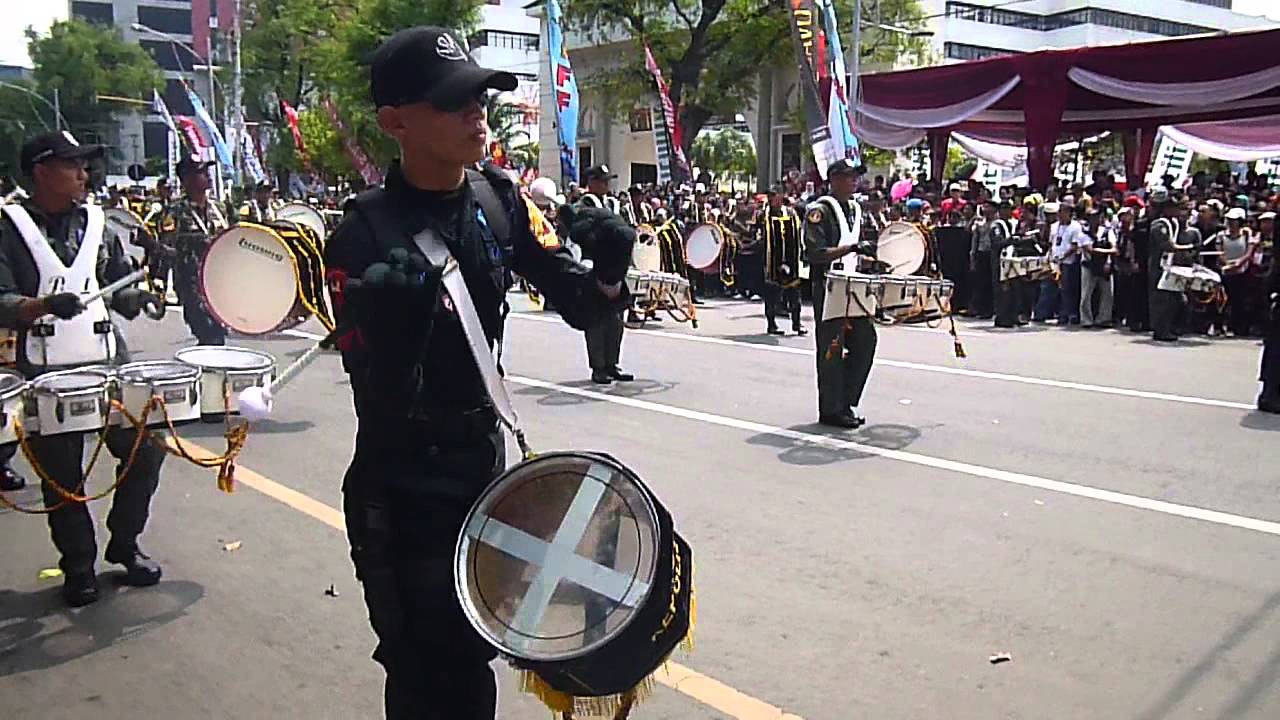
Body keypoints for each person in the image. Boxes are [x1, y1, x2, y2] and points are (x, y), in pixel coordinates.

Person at [322, 27, 630, 719]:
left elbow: (581, 304)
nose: (476, 111)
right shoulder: (361, 235)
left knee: (477, 656)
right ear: (395, 122)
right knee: (428, 675)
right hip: (403, 490)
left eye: (480, 95)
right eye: (453, 100)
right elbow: (378, 394)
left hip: (486, 472)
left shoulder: (498, 199)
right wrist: (396, 338)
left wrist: (609, 273)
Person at [0, 131, 166, 607]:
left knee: (146, 450)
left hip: (108, 363)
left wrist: (136, 298)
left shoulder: (96, 221)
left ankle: (125, 544)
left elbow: (115, 282)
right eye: (72, 166)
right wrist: (39, 305)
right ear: (41, 172)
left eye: (84, 165)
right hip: (44, 370)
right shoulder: (8, 226)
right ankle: (78, 566)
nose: (83, 174)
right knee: (63, 476)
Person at [804, 159, 876, 429]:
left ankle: (846, 399)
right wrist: (852, 249)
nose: (853, 181)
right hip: (829, 287)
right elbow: (814, 254)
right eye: (847, 177)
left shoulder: (856, 210)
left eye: (855, 177)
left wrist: (868, 258)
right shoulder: (818, 211)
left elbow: (856, 250)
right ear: (833, 180)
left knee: (866, 341)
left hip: (854, 284)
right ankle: (832, 410)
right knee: (832, 348)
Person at [163, 156, 228, 346]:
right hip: (191, 284)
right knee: (210, 335)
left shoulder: (220, 208)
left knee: (218, 336)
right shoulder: (174, 211)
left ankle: (210, 372)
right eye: (201, 172)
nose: (208, 175)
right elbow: (167, 247)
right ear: (187, 179)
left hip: (218, 281)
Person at [572, 191, 633, 384]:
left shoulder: (611, 204)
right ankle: (598, 367)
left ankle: (611, 364)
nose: (605, 185)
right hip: (596, 270)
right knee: (597, 322)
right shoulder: (586, 206)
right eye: (602, 181)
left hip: (616, 270)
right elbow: (578, 235)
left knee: (616, 323)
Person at [1148, 188, 1195, 342]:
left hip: (1171, 266)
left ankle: (1170, 327)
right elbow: (1167, 245)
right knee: (1161, 300)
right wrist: (1187, 248)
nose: (1177, 211)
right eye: (1173, 208)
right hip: (1159, 267)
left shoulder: (1174, 224)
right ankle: (1160, 330)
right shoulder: (1158, 225)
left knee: (1174, 299)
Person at [760, 184, 805, 336]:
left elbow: (799, 234)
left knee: (794, 293)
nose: (771, 199)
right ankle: (771, 324)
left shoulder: (791, 213)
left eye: (774, 195)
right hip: (772, 260)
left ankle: (797, 324)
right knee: (772, 294)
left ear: (781, 196)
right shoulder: (763, 215)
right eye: (769, 196)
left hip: (790, 258)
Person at [1079, 208, 1116, 328]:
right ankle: (1086, 319)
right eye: (1091, 217)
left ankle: (1104, 318)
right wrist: (1105, 250)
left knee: (1108, 293)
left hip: (1105, 265)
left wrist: (1107, 260)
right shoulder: (1083, 233)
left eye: (1096, 217)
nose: (1094, 220)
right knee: (1086, 294)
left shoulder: (1107, 231)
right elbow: (1088, 249)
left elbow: (1114, 248)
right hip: (1089, 265)